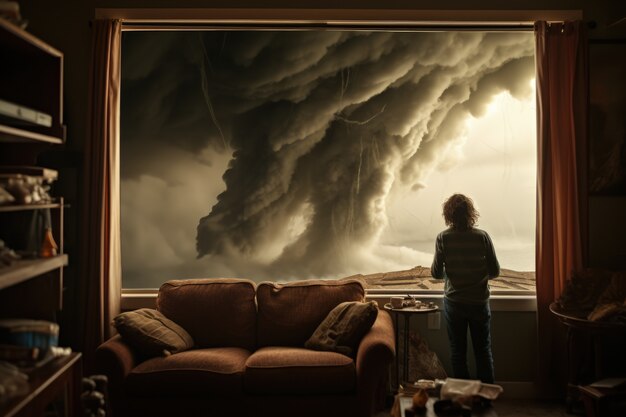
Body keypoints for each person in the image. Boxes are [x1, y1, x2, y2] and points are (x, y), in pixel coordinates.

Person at [431, 193, 500, 383]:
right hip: (479, 302)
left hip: (455, 304)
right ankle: (486, 399)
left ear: (448, 215)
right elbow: (495, 271)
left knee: (458, 353)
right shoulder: (482, 237)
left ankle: (464, 398)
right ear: (471, 213)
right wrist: (476, 276)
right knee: (483, 351)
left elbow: (436, 274)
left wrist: (452, 273)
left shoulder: (443, 238)